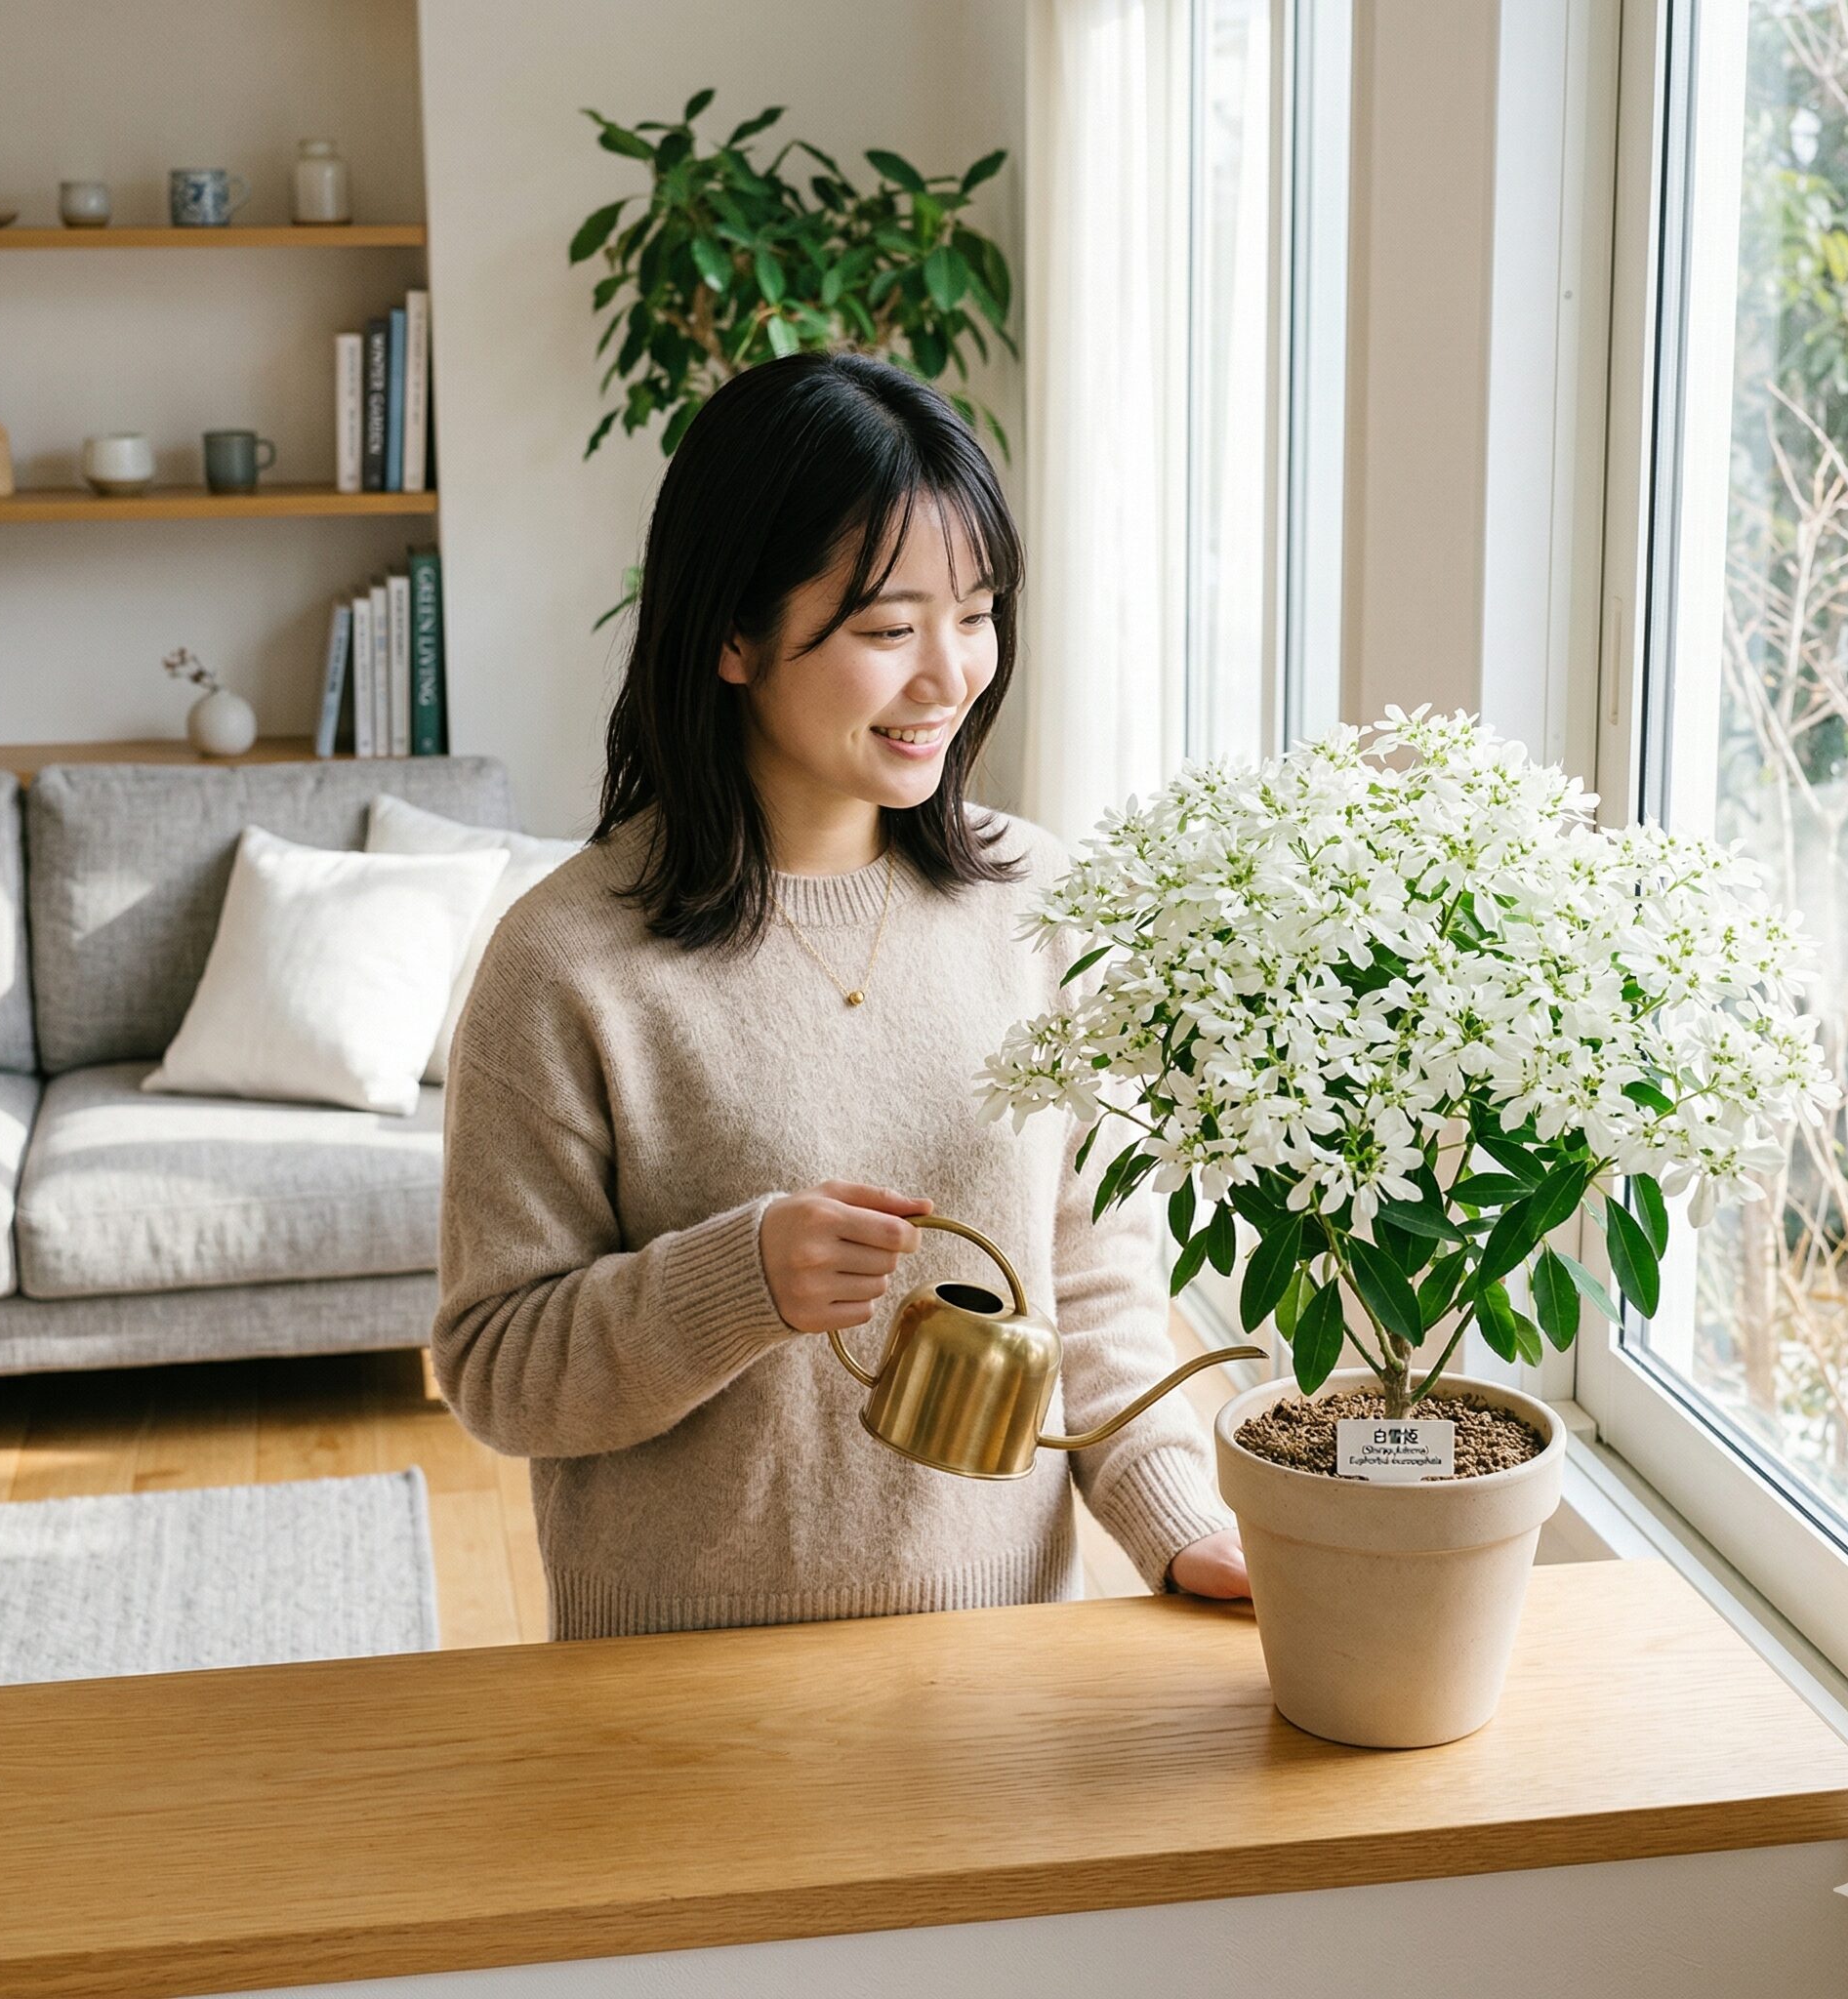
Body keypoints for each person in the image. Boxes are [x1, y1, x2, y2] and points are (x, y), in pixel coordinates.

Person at [432, 349, 1250, 1639]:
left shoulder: (1040, 898)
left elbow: (1089, 1269)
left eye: (976, 611)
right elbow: (495, 1372)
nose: (951, 673)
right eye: (886, 629)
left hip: (1005, 1656)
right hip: (678, 1691)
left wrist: (1179, 1521)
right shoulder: (564, 963)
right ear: (732, 636)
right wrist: (732, 1282)